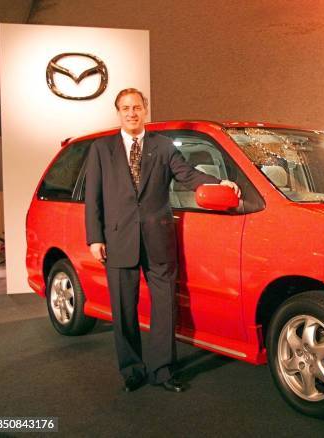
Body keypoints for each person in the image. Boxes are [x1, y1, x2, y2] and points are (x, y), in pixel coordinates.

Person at [85, 88, 240, 393]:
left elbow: (188, 175)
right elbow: (93, 198)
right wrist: (94, 237)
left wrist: (218, 182)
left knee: (165, 306)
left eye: (137, 107)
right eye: (126, 108)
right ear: (118, 112)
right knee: (124, 308)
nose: (132, 113)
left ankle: (162, 369)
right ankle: (131, 369)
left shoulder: (163, 146)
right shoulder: (102, 149)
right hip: (117, 239)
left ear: (145, 111)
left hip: (158, 238)